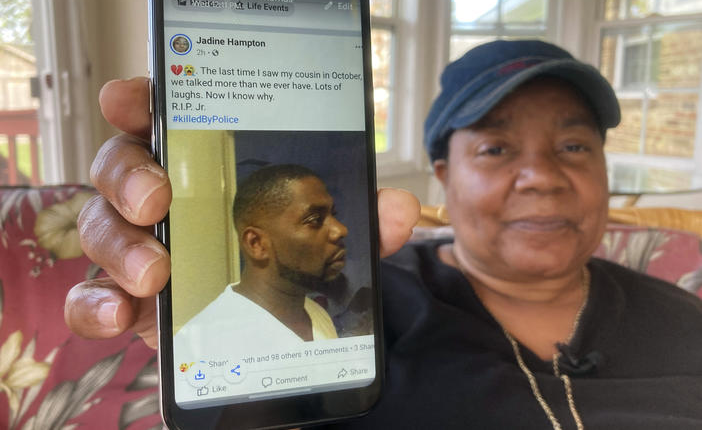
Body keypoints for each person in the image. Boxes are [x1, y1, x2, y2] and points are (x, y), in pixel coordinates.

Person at [67, 40, 702, 429]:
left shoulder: (686, 321)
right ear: (443, 175)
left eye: (572, 145)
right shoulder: (364, 309)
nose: (540, 176)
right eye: (497, 147)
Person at [176, 163, 348, 350]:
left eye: (334, 214)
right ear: (256, 243)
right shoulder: (202, 344)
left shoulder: (317, 315)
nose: (340, 230)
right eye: (314, 220)